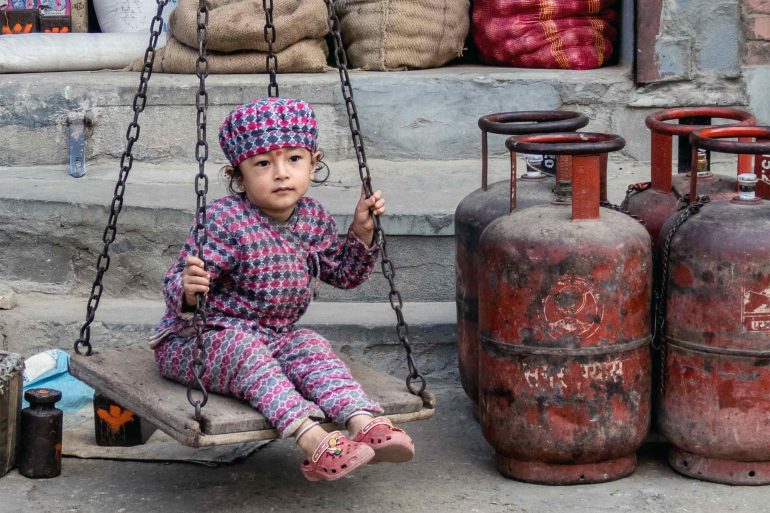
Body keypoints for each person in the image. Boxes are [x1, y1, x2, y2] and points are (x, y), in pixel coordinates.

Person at [150, 97, 414, 481]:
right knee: (245, 351)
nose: (280, 174)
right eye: (262, 163)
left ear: (314, 162)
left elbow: (344, 275)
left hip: (275, 337)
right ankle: (314, 440)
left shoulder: (313, 218)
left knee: (310, 345)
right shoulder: (226, 220)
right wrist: (189, 290)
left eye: (294, 159)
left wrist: (361, 232)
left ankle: (363, 422)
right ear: (238, 176)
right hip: (200, 340)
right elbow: (178, 283)